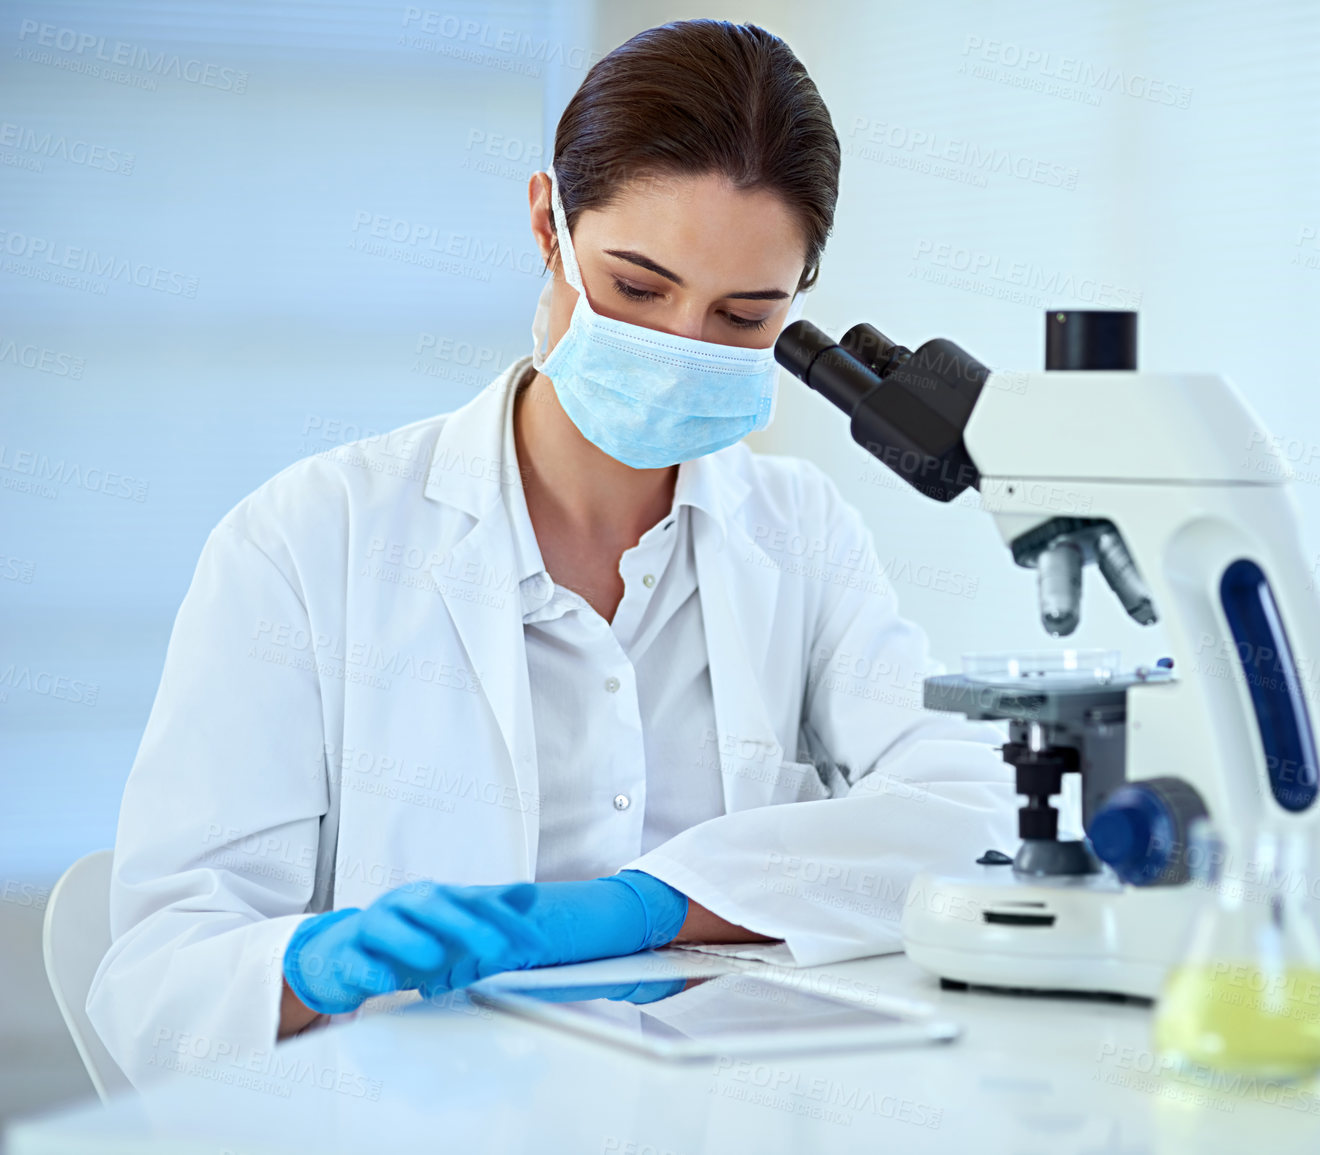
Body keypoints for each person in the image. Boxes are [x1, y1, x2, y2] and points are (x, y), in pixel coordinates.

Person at [87, 19, 1013, 1087]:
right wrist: (304, 969)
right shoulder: (307, 539)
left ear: (797, 305)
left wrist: (652, 904)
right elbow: (157, 975)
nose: (679, 348)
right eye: (635, 288)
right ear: (547, 225)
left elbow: (967, 813)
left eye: (742, 316)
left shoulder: (796, 531)